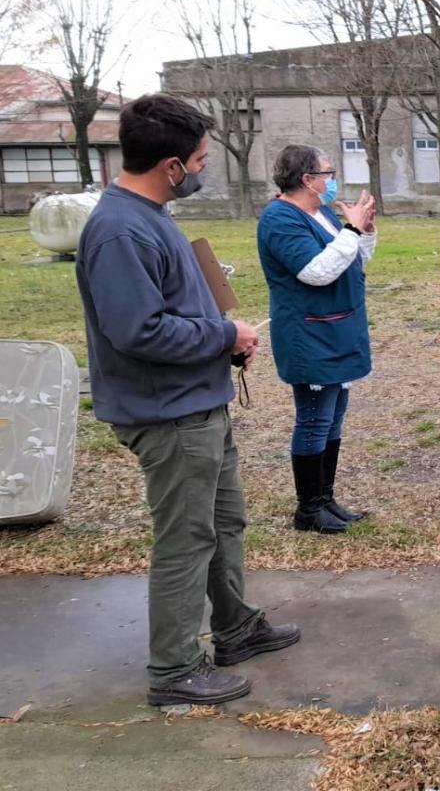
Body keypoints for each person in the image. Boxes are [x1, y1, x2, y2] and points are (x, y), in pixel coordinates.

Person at [75, 94, 299, 707]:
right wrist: (225, 334)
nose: (203, 170)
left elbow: (172, 311)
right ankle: (174, 669)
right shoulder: (120, 230)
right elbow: (138, 331)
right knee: (185, 538)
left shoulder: (150, 217)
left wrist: (221, 345)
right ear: (172, 166)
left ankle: (235, 628)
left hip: (197, 400)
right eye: (200, 160)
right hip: (167, 414)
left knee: (224, 524)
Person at [257, 145, 377, 535]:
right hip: (309, 334)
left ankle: (326, 499)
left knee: (334, 416)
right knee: (314, 418)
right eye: (327, 172)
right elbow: (315, 271)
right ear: (307, 179)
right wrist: (352, 230)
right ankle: (308, 509)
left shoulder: (321, 211)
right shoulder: (280, 220)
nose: (332, 179)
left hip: (336, 328)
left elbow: (352, 258)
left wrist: (365, 232)